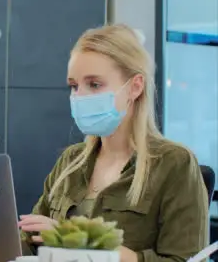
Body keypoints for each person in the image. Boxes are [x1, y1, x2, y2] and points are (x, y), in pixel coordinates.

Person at [18, 24, 208, 262]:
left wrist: (73, 240)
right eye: (74, 86)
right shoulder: (71, 161)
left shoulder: (174, 163)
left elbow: (186, 260)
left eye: (94, 84)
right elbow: (30, 239)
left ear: (135, 87)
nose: (80, 97)